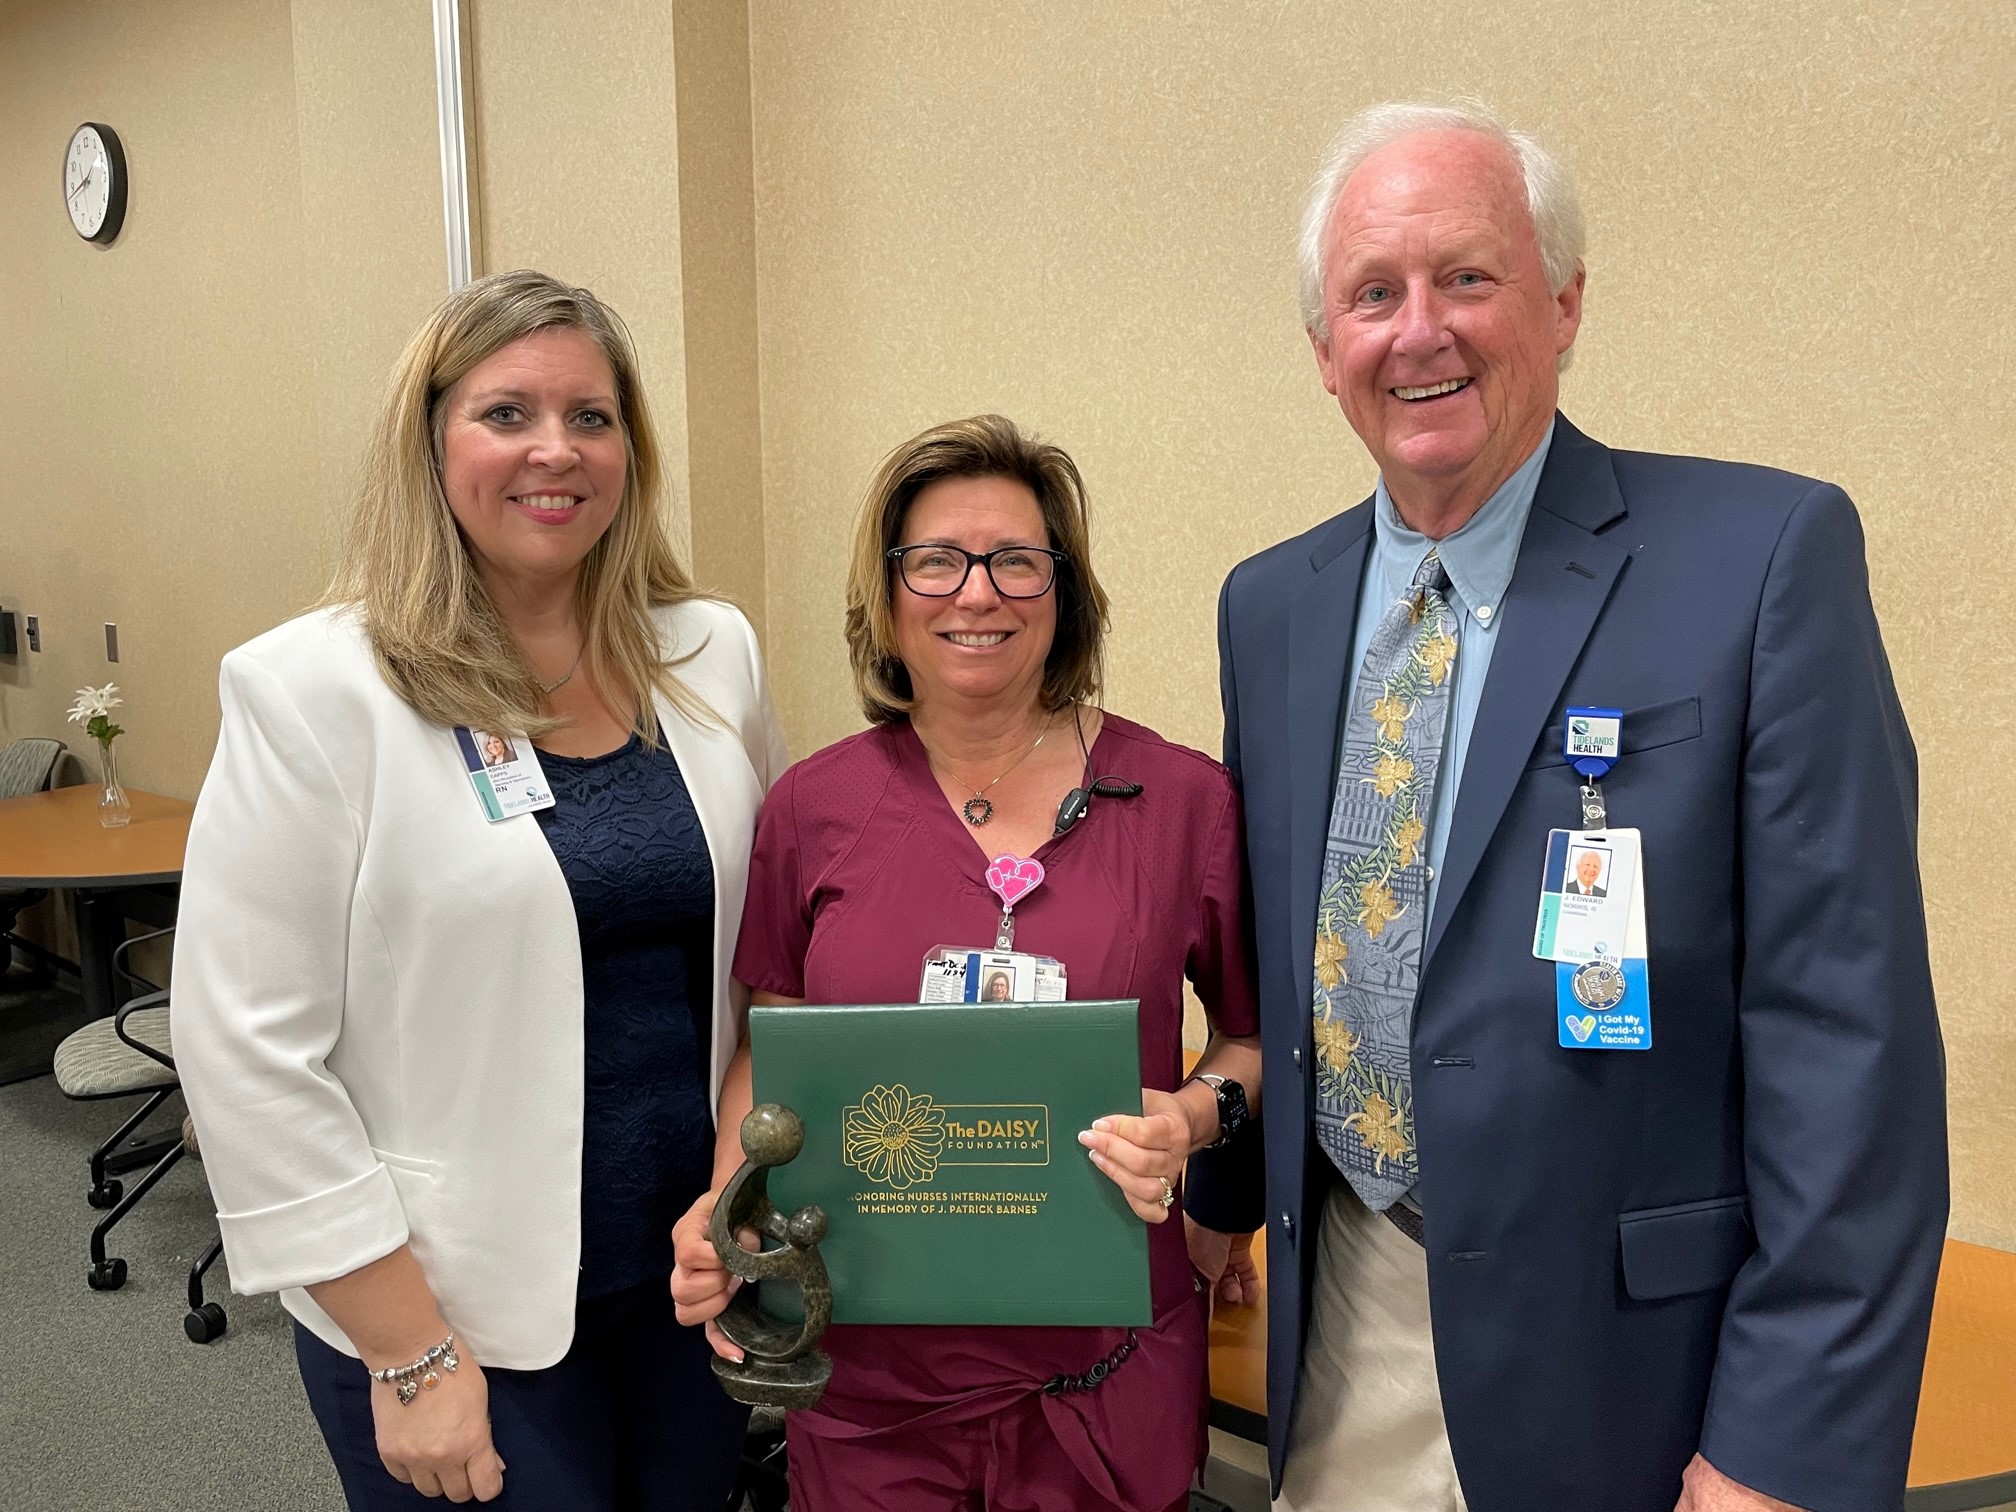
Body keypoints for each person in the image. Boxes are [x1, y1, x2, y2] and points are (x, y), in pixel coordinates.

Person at [1184, 100, 1946, 1512]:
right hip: (1342, 1334)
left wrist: (1785, 1449)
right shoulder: (1271, 606)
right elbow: (1284, 969)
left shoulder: (1761, 560)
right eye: (1372, 294)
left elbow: (1851, 1049)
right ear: (1324, 351)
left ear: (1565, 303)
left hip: (1642, 1379)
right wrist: (1220, 1198)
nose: (1419, 331)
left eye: (1467, 276)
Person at [173, 269, 788, 1510]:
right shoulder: (315, 692)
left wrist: (737, 1197)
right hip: (454, 1308)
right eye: (507, 413)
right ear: (432, 442)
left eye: (591, 417)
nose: (555, 450)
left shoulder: (708, 649)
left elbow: (764, 953)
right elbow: (244, 1047)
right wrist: (408, 1348)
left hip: (690, 1275)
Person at [670, 414, 1263, 1512]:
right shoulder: (813, 808)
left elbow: (1253, 1040)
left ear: (1063, 590)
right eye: (935, 560)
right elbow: (770, 1046)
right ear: (887, 593)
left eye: (1016, 560)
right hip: (869, 1380)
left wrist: (1189, 1119)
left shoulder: (1184, 802)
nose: (977, 593)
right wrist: (726, 1208)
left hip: (1106, 1373)